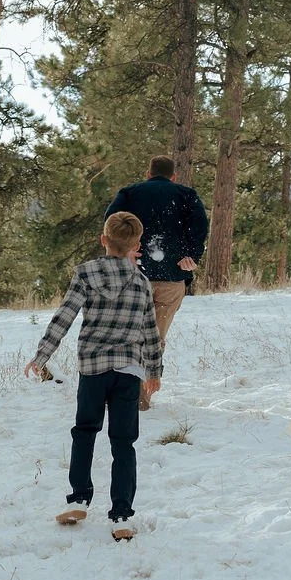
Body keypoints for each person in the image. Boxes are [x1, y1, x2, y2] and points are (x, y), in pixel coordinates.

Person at [24, 210, 161, 541]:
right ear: (136, 245)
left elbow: (64, 317)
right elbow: (150, 331)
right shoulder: (141, 283)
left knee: (85, 431)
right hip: (128, 371)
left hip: (93, 370)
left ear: (104, 240)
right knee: (123, 442)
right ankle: (122, 516)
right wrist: (154, 371)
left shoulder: (86, 273)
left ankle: (80, 498)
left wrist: (42, 356)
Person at [104, 154, 209, 408]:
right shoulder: (186, 194)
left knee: (128, 333)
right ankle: (142, 395)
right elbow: (200, 225)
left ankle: (121, 390)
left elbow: (111, 221)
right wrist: (191, 256)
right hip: (172, 278)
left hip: (134, 273)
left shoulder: (130, 193)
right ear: (173, 176)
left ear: (148, 173)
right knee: (155, 338)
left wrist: (125, 251)